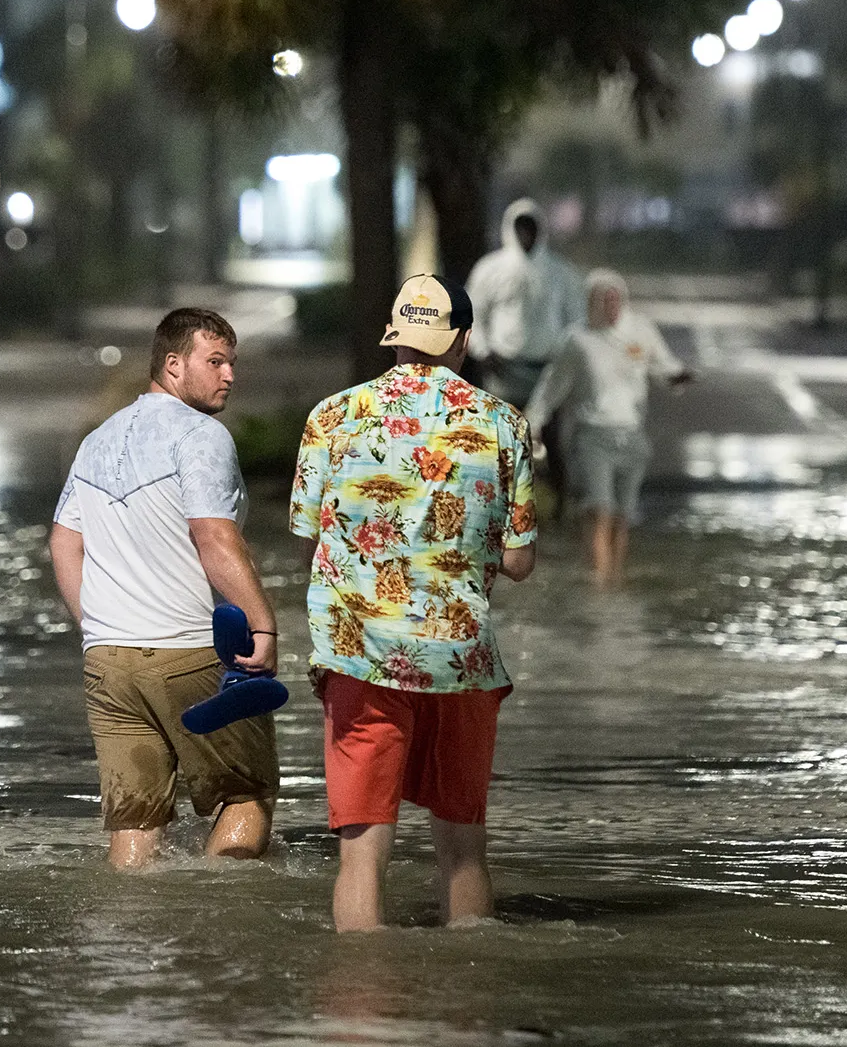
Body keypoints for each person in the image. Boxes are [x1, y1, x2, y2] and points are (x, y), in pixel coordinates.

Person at [290, 273, 537, 931]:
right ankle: (465, 1007)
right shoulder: (504, 424)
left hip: (360, 657)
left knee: (361, 860)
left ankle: (362, 1012)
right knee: (463, 853)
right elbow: (517, 562)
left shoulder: (331, 416)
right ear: (462, 339)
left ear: (396, 334)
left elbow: (306, 531)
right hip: (462, 659)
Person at [49, 307, 280, 869]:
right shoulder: (202, 435)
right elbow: (214, 538)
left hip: (109, 663)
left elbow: (62, 541)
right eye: (216, 362)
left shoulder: (98, 440)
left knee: (136, 820)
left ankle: (128, 941)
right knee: (245, 795)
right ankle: (218, 932)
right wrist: (263, 623)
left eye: (232, 363)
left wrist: (98, 627)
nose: (230, 375)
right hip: (189, 652)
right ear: (174, 366)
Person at [526, 269, 690, 586]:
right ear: (591, 302)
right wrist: (532, 420)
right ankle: (600, 583)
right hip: (592, 437)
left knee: (621, 517)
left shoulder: (640, 332)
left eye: (616, 299)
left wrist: (678, 375)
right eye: (604, 299)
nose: (611, 306)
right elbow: (552, 386)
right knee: (600, 509)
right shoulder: (578, 340)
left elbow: (663, 365)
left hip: (631, 436)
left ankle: (615, 575)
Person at [465, 197, 585, 415]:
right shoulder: (489, 269)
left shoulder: (560, 272)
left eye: (531, 228)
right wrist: (482, 351)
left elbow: (576, 317)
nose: (526, 234)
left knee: (546, 438)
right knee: (502, 436)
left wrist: (568, 357)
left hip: (548, 371)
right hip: (504, 370)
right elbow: (471, 312)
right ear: (510, 228)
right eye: (520, 228)